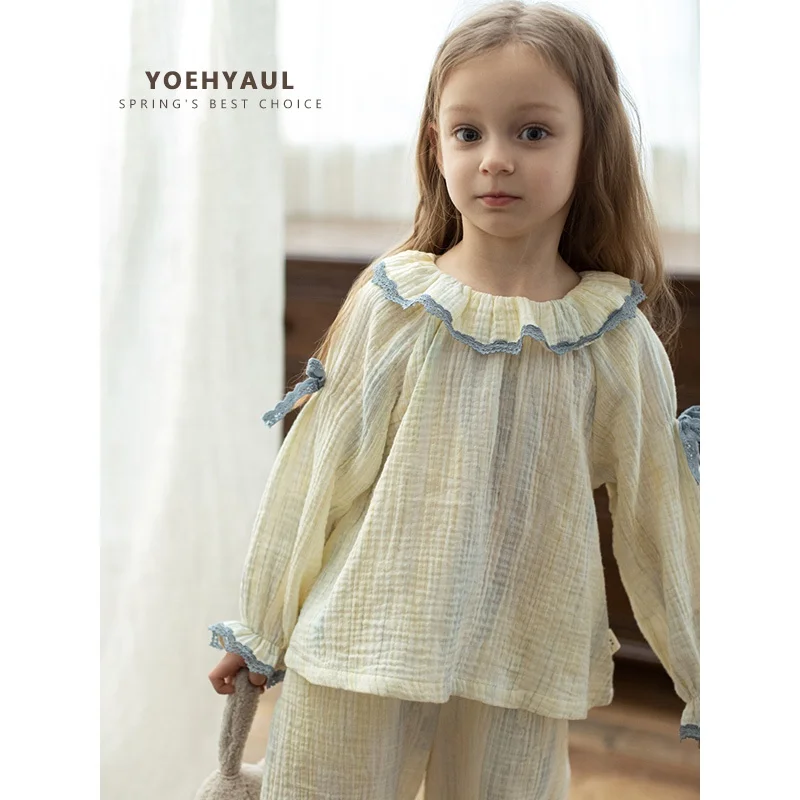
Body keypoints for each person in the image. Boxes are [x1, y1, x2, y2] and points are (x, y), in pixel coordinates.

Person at [206, 1, 700, 797]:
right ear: (436, 146)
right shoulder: (395, 305)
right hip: (361, 639)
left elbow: (661, 517)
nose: (495, 160)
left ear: (592, 145)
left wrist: (706, 672)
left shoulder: (613, 338)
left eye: (532, 132)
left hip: (518, 656)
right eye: (469, 133)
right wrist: (260, 624)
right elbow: (316, 476)